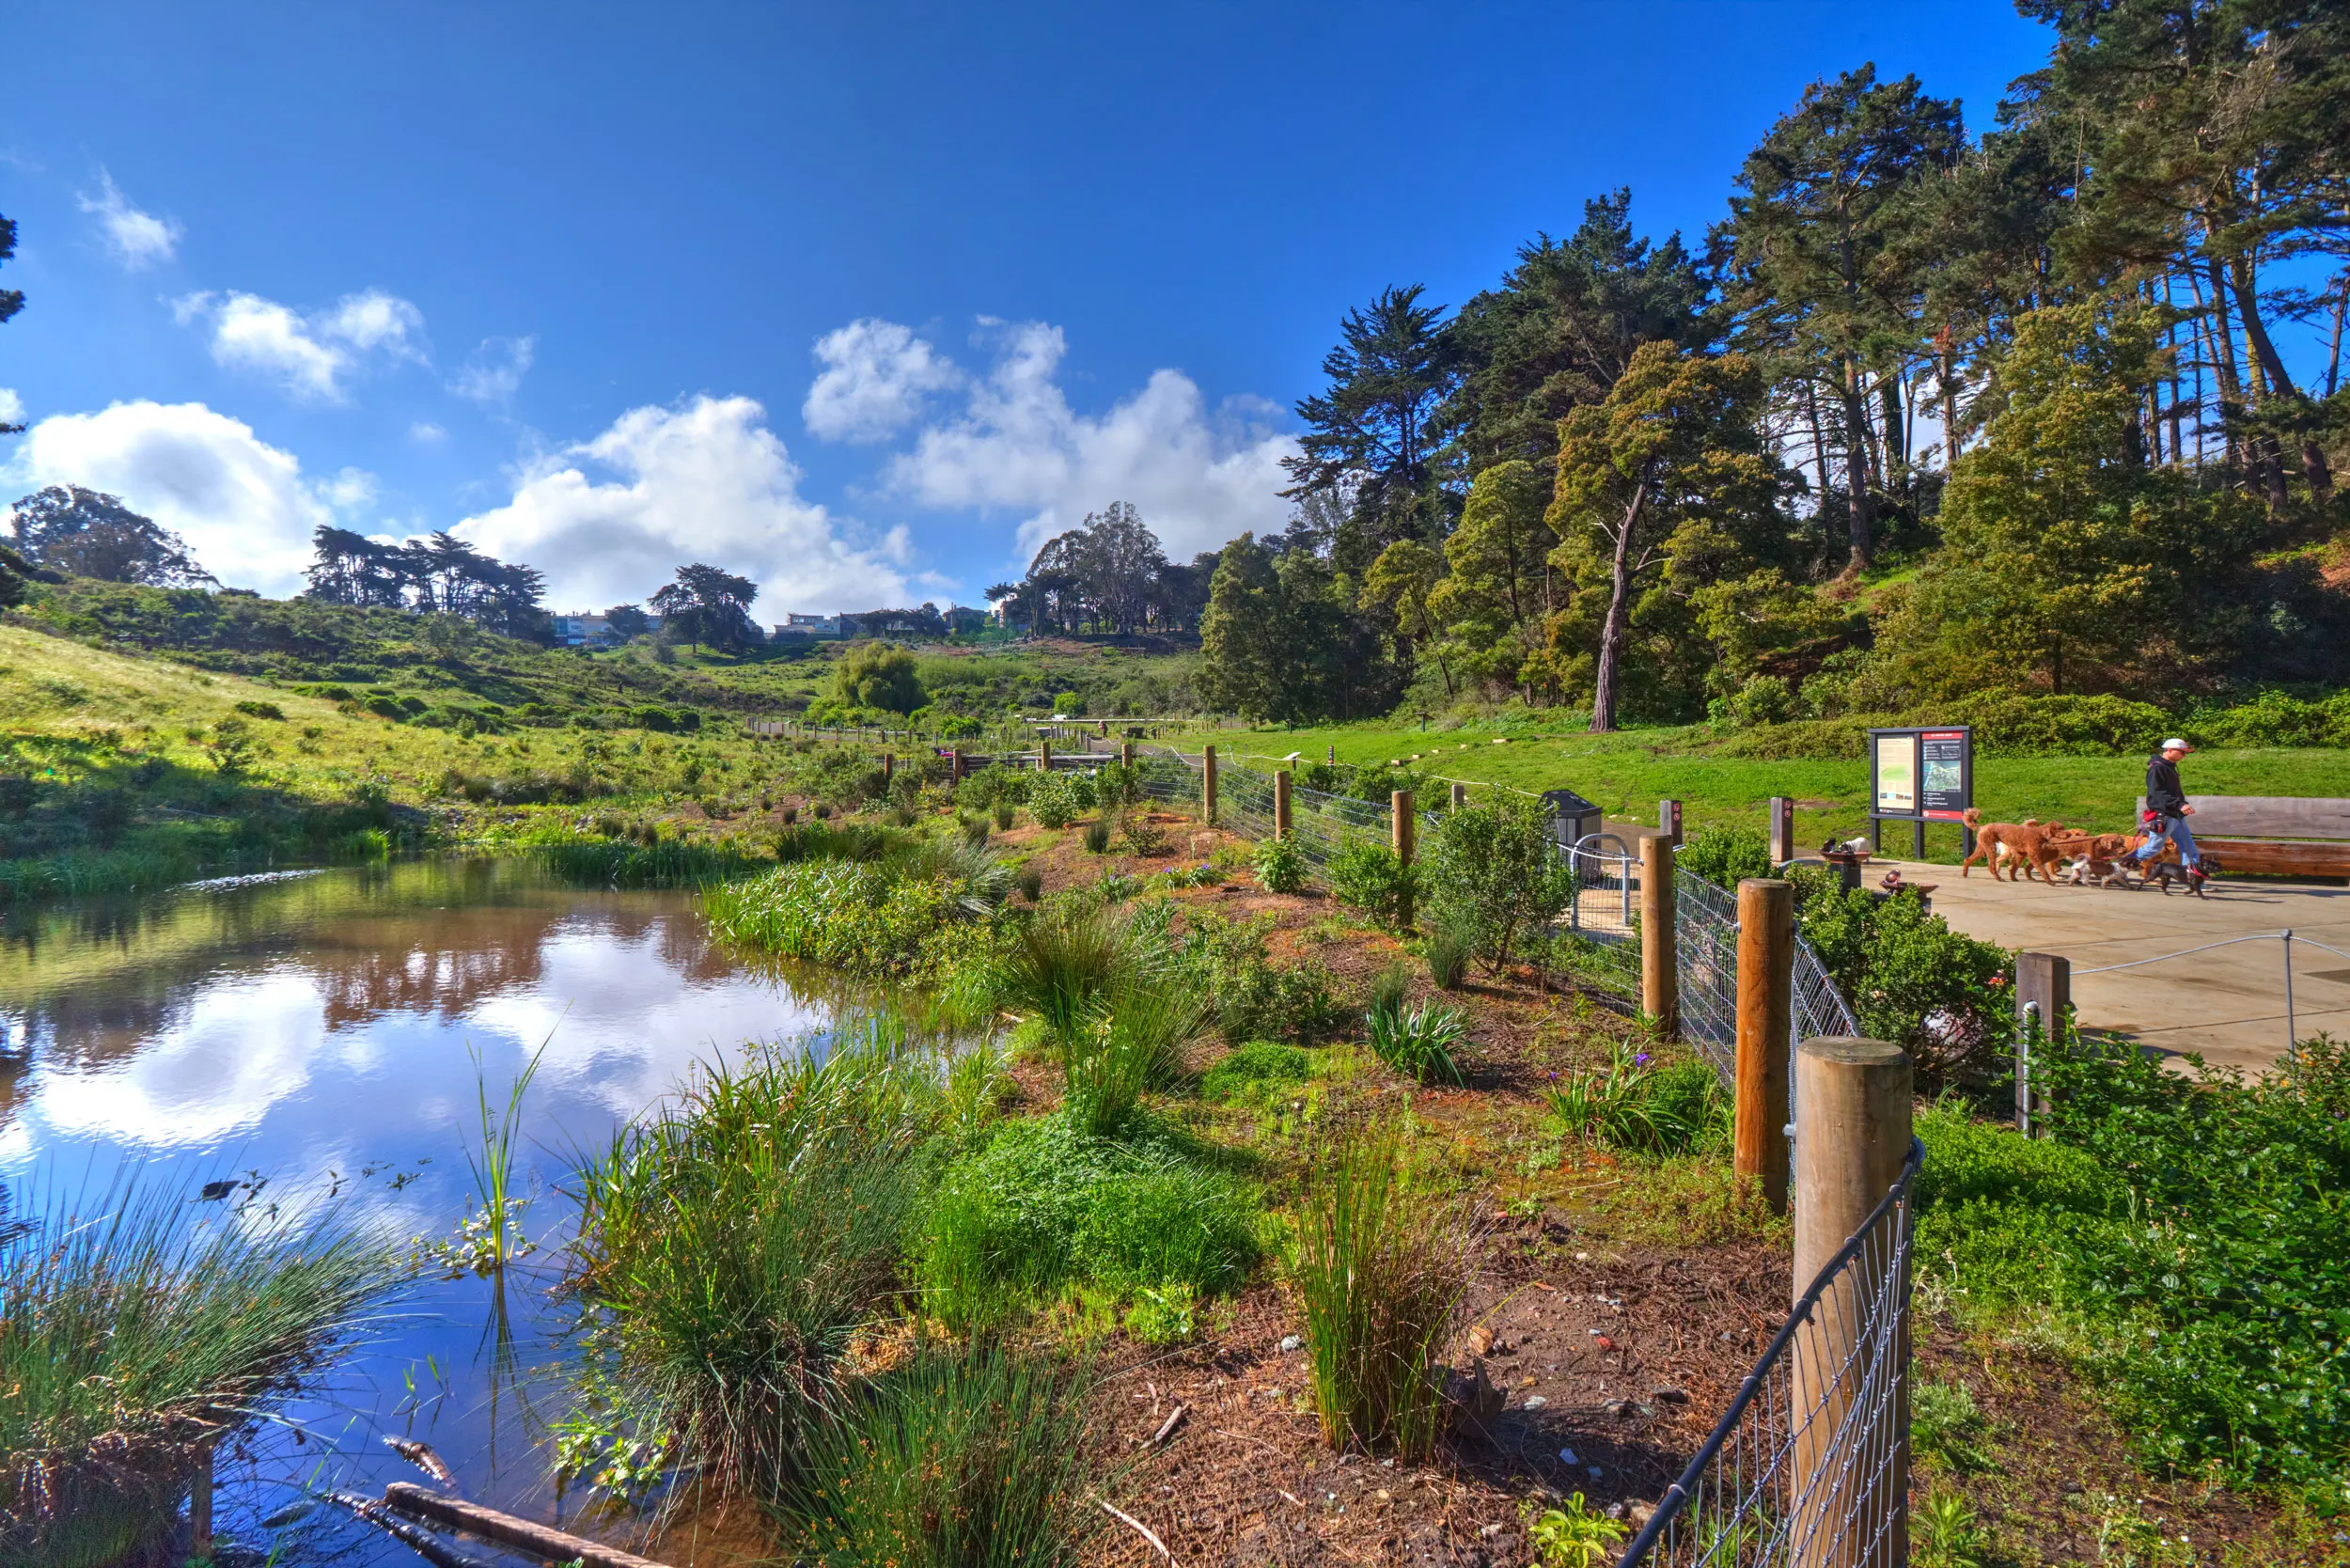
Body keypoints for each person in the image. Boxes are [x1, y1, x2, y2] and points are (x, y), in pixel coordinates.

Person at [2131, 738, 2203, 884]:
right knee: (2153, 848)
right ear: (2169, 750)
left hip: (2177, 815)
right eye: (2182, 752)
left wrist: (2180, 805)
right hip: (2164, 816)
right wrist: (2179, 804)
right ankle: (2122, 864)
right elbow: (2157, 794)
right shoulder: (2157, 768)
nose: (2184, 755)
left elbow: (2172, 792)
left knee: (2189, 848)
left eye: (2185, 753)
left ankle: (2192, 882)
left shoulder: (2170, 766)